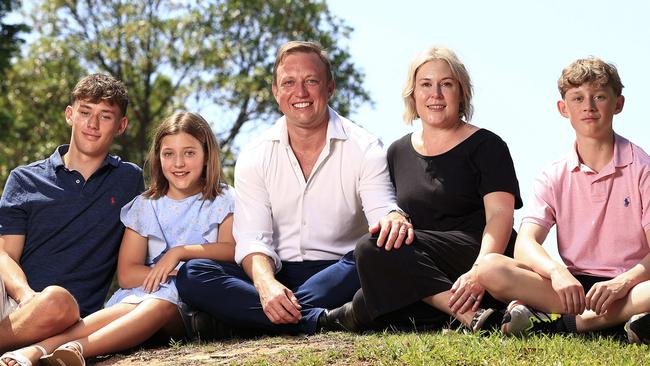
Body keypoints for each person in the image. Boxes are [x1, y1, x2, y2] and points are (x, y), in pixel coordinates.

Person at [176, 41, 412, 336]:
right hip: (275, 271)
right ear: (276, 92)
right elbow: (252, 239)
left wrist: (392, 216)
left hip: (340, 272)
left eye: (311, 81)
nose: (300, 93)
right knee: (193, 272)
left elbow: (381, 211)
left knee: (380, 250)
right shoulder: (255, 154)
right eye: (289, 82)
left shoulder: (364, 147)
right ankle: (323, 319)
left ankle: (237, 319)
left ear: (329, 88)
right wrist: (265, 285)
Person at [1, 112, 236, 366]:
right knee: (131, 306)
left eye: (189, 153)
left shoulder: (223, 199)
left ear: (206, 155)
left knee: (161, 304)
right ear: (158, 157)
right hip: (144, 295)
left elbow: (233, 252)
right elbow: (127, 274)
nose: (178, 163)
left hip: (191, 303)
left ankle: (77, 348)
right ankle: (37, 351)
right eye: (168, 154)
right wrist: (161, 275)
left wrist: (179, 255)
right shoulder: (146, 205)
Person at [322, 47, 522, 333]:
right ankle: (473, 316)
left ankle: (467, 314)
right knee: (371, 292)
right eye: (425, 84)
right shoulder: (397, 152)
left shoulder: (488, 146)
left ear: (461, 93)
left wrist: (480, 271)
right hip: (423, 263)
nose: (435, 94)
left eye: (446, 84)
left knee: (371, 258)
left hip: (478, 252)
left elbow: (501, 218)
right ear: (412, 95)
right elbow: (391, 213)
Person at [477, 57, 650, 343]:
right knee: (490, 267)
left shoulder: (642, 169)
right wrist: (557, 273)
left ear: (617, 104)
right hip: (574, 289)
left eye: (599, 97)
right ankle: (625, 322)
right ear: (563, 108)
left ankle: (569, 325)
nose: (589, 107)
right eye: (578, 98)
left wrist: (622, 283)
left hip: (631, 284)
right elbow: (525, 244)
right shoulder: (554, 174)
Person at [0, 74, 144, 359]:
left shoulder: (129, 180)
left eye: (105, 116)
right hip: (11, 301)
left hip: (65, 316)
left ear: (121, 126)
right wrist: (27, 296)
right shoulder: (24, 179)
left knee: (57, 300)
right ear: (70, 115)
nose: (92, 124)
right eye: (85, 112)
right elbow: (5, 255)